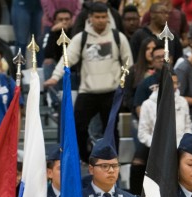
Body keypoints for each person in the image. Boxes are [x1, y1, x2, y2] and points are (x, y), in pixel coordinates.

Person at [45, 3, 132, 163]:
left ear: (108, 17)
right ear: (90, 18)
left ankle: (112, 160)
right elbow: (67, 59)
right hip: (88, 92)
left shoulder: (118, 37)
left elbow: (128, 63)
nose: (101, 20)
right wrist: (55, 77)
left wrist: (124, 86)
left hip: (111, 91)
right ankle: (85, 158)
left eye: (104, 17)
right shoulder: (81, 38)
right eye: (97, 17)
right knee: (77, 126)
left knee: (111, 130)